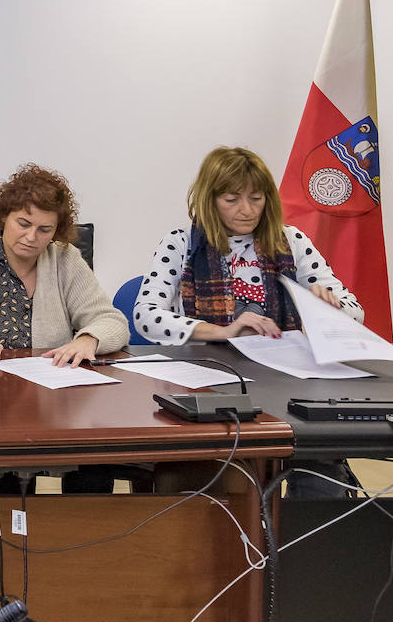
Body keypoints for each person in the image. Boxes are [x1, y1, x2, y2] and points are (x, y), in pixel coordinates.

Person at [134, 146, 364, 497]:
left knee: (321, 474)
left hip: (285, 380)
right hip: (209, 378)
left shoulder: (292, 240)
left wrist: (325, 310)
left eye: (256, 199)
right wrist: (222, 331)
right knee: (230, 482)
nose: (247, 210)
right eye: (232, 199)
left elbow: (355, 310)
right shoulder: (181, 243)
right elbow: (145, 316)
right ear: (209, 200)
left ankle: (303, 545)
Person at [0, 163, 133, 494]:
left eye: (45, 230)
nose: (32, 238)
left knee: (95, 463)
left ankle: (80, 539)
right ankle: (12, 536)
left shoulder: (65, 259)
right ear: (4, 217)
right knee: (10, 484)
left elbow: (112, 321)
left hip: (54, 397)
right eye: (23, 223)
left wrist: (89, 339)